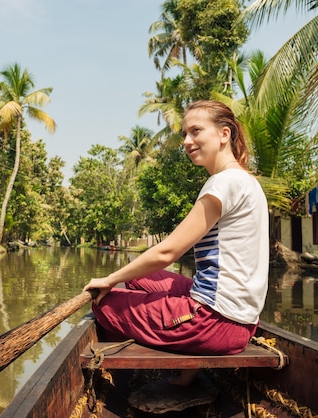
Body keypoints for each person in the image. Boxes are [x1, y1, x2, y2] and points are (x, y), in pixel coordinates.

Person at [83, 99, 269, 386]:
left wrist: (109, 279)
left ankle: (173, 357)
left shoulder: (223, 184)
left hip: (214, 323)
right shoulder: (246, 181)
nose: (187, 141)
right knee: (142, 280)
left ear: (224, 134)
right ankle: (185, 359)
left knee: (104, 305)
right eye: (184, 134)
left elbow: (168, 251)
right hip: (241, 321)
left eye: (196, 131)